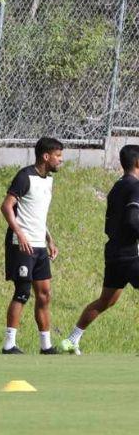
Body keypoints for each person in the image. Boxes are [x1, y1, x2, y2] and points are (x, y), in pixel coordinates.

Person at [61, 145, 139, 355]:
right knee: (106, 300)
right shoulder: (135, 186)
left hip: (114, 252)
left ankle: (72, 339)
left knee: (107, 300)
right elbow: (133, 220)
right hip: (130, 253)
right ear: (138, 162)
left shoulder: (117, 186)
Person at [0, 137, 63, 355]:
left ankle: (46, 346)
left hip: (39, 245)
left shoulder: (48, 180)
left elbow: (37, 214)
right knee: (23, 292)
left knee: (44, 294)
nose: (60, 160)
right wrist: (20, 233)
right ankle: (9, 344)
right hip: (21, 245)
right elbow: (6, 206)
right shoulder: (24, 176)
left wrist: (49, 239)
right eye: (57, 156)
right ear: (46, 156)